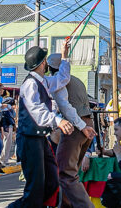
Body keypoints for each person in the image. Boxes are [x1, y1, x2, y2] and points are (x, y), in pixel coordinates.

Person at [7, 46, 72, 208]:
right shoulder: (30, 84)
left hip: (39, 139)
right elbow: (35, 109)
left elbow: (62, 78)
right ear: (43, 63)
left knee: (51, 181)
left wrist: (65, 57)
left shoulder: (43, 82)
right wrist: (58, 121)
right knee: (35, 188)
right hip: (29, 139)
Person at [46, 50, 97, 208]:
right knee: (72, 174)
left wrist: (80, 127)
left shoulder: (58, 81)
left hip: (76, 127)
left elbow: (67, 108)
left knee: (66, 173)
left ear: (49, 67)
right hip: (88, 124)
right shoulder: (76, 80)